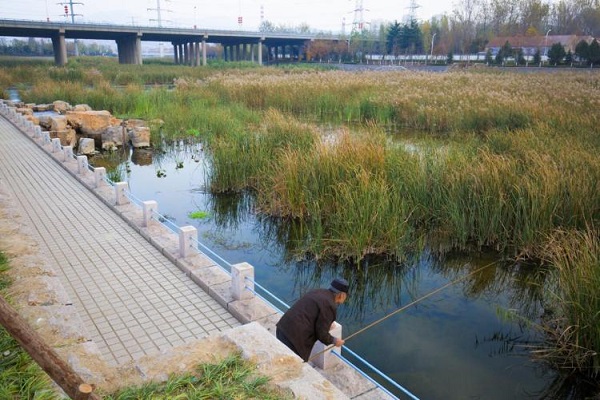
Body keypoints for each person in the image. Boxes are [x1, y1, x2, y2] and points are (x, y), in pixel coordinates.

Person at [276, 278, 349, 362]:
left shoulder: (318, 291)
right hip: (294, 340)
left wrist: (328, 323)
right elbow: (322, 335)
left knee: (280, 361)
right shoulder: (330, 305)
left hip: (282, 328)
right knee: (290, 368)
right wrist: (335, 341)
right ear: (342, 295)